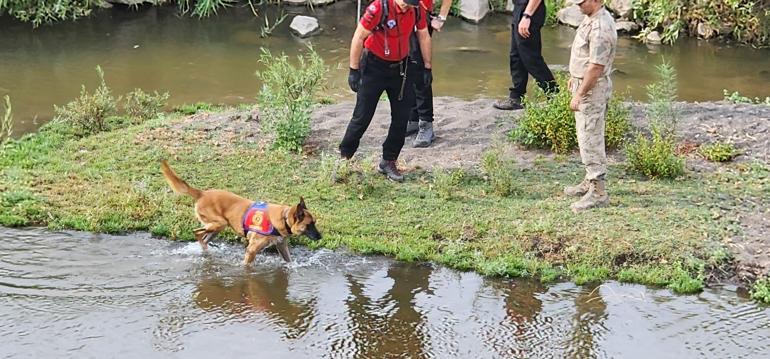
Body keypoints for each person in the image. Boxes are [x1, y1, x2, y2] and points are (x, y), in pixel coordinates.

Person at [335, 0, 432, 182]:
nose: (406, 6)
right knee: (362, 117)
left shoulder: (417, 10)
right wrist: (353, 70)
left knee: (402, 118)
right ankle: (344, 158)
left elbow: (424, 35)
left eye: (410, 3)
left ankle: (388, 160)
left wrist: (427, 67)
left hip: (401, 68)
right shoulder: (379, 8)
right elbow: (359, 36)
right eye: (404, 2)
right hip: (374, 67)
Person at [563, 0, 617, 212]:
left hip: (592, 90)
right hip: (585, 84)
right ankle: (589, 181)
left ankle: (598, 192)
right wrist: (574, 76)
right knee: (585, 135)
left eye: (581, 2)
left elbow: (595, 67)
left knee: (590, 136)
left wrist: (579, 93)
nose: (578, 6)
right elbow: (584, 57)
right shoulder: (590, 19)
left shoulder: (601, 26)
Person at [493, 0, 558, 111]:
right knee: (516, 56)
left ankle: (555, 95)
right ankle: (516, 98)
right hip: (520, 8)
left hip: (529, 12)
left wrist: (527, 16)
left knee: (531, 58)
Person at [404, 0, 452, 148]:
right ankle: (413, 118)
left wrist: (442, 17)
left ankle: (426, 123)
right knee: (405, 68)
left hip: (420, 15)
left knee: (419, 68)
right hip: (399, 13)